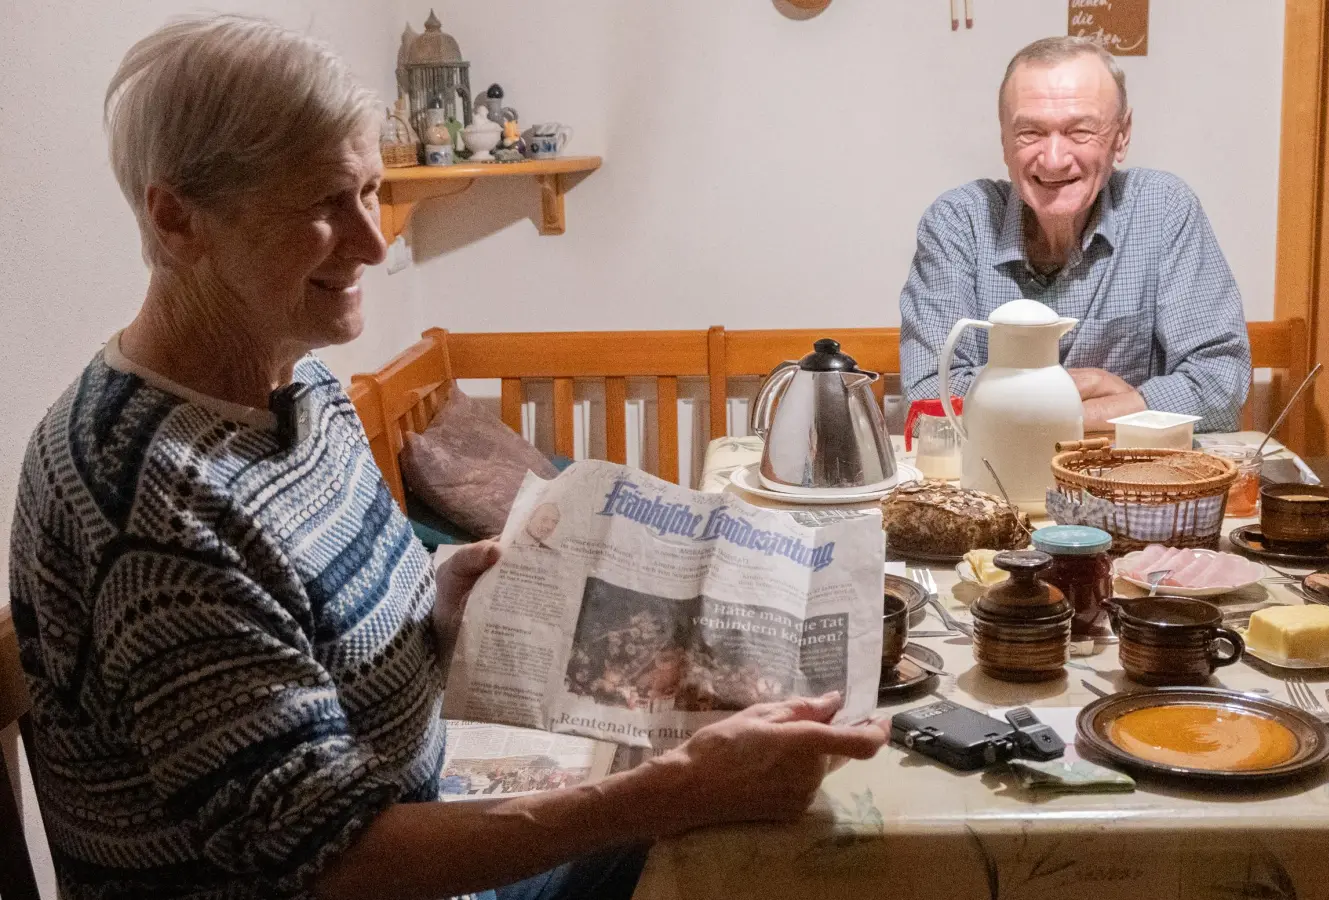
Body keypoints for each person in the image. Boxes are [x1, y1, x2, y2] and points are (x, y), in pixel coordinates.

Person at [7, 16, 888, 900]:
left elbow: (314, 650)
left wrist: (437, 606)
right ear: (178, 219)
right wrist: (671, 789)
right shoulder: (155, 505)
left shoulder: (294, 382)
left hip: (415, 841)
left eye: (368, 192)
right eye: (324, 205)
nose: (373, 243)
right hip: (378, 871)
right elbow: (339, 863)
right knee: (774, 860)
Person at [898, 36, 1252, 433]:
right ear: (1003, 140)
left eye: (1080, 131)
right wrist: (1127, 404)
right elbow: (929, 395)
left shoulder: (1163, 208)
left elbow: (1220, 384)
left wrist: (1035, 410)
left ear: (1121, 136)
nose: (1053, 159)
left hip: (1128, 482)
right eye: (1030, 132)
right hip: (991, 482)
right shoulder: (958, 222)